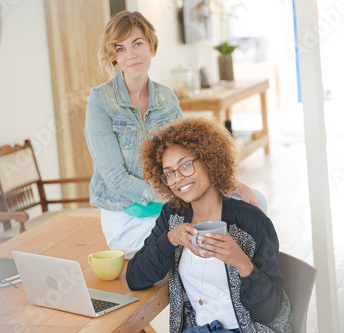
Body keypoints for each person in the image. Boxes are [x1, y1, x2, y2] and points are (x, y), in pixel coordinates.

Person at [84, 11, 262, 259]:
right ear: (114, 56)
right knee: (206, 234)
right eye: (120, 48)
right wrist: (177, 192)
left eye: (137, 44)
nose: (131, 54)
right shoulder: (101, 101)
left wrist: (228, 184)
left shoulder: (166, 98)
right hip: (126, 217)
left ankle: (254, 280)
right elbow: (115, 177)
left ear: (151, 46)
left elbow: (190, 152)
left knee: (253, 201)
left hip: (168, 205)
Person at [127, 117, 293, 333]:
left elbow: (274, 311)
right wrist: (170, 240)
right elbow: (135, 278)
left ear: (208, 159)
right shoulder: (172, 216)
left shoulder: (251, 221)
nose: (178, 179)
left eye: (185, 165)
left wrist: (243, 264)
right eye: (169, 173)